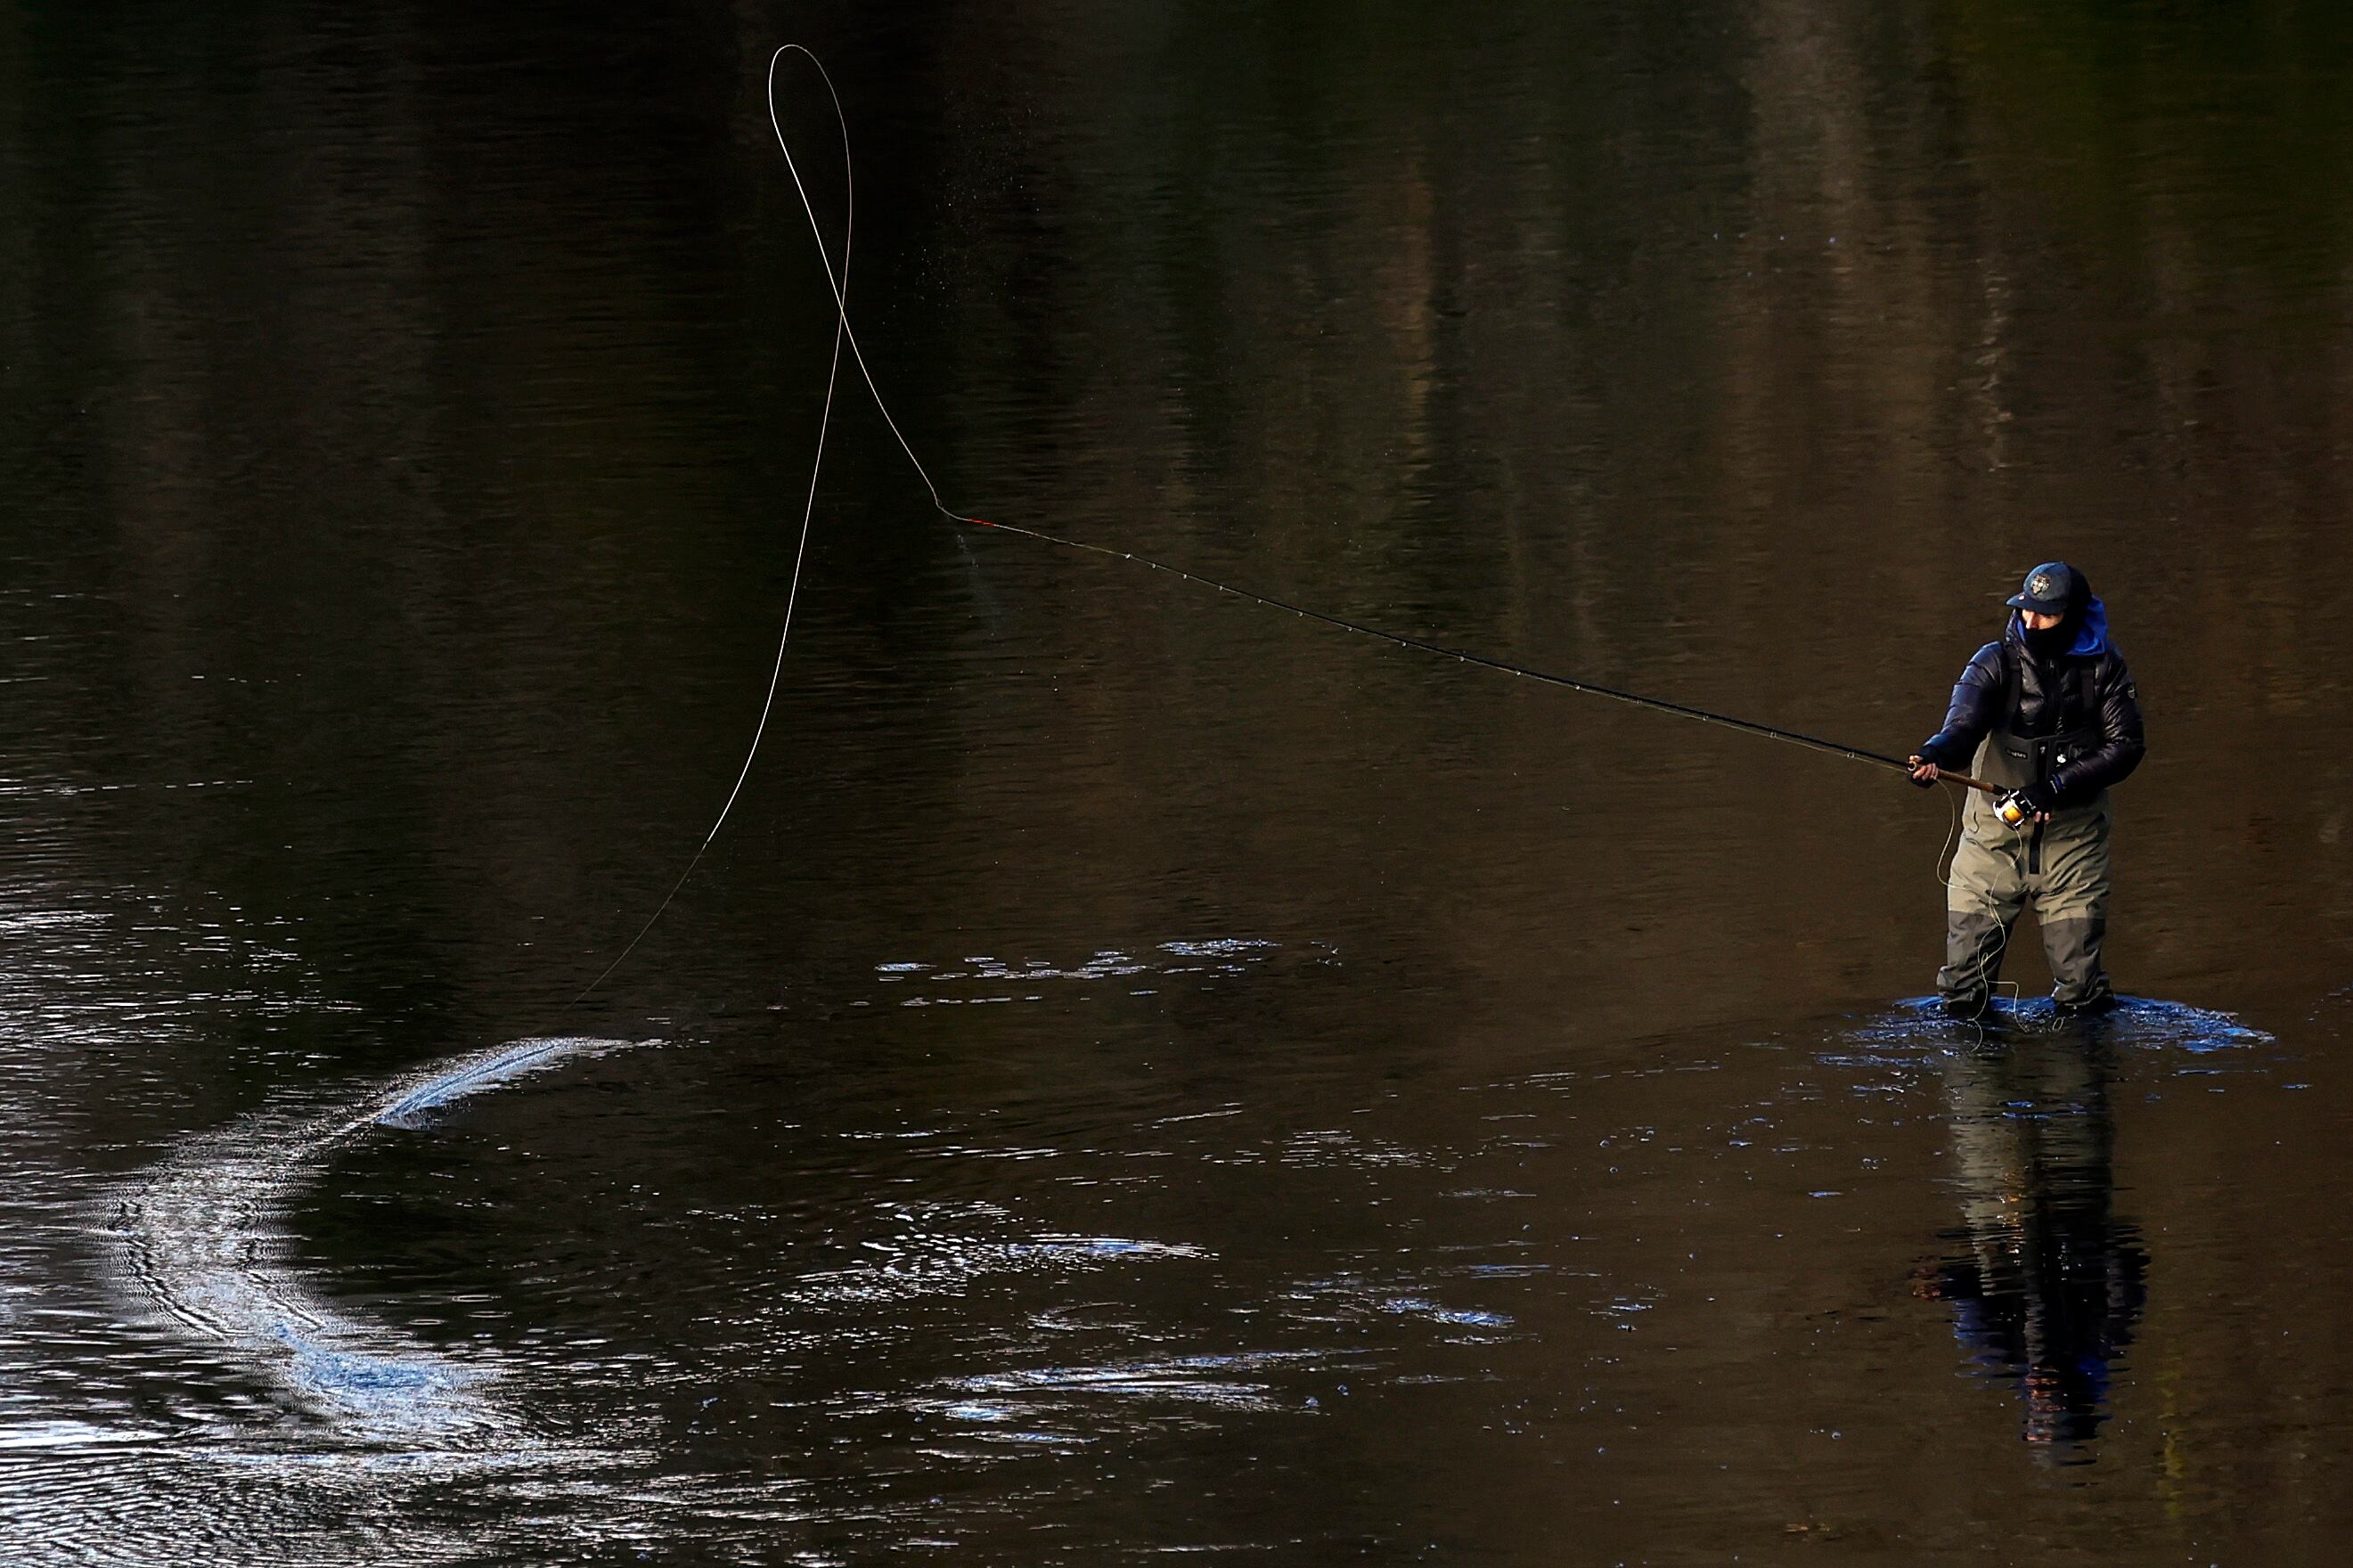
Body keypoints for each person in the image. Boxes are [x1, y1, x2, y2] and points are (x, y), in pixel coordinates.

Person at [1907, 562, 2145, 1016]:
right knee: (1962, 992)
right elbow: (1962, 727)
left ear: (2074, 617)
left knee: (2081, 991)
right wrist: (1934, 754)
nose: (2030, 623)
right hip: (1991, 845)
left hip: (2074, 844)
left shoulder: (2106, 668)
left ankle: (2079, 1056)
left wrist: (2052, 789)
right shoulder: (1993, 662)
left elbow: (2126, 747)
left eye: (2046, 615)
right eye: (2025, 610)